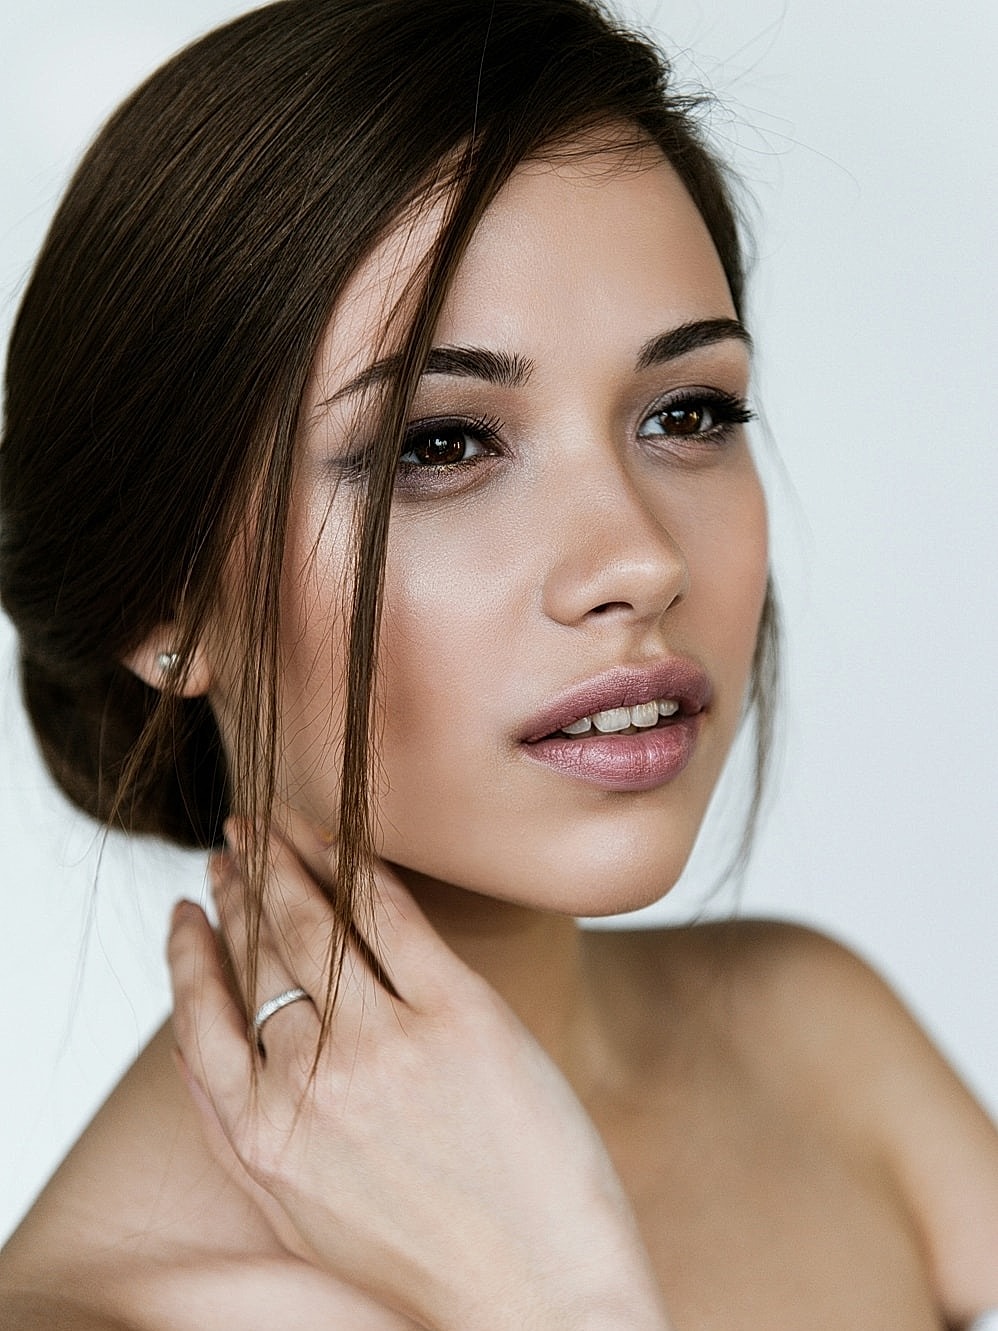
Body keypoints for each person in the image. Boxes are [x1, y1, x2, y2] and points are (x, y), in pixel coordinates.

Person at [0, 0, 996, 1326]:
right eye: (443, 444)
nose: (640, 559)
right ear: (163, 596)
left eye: (686, 413)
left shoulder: (810, 1039)